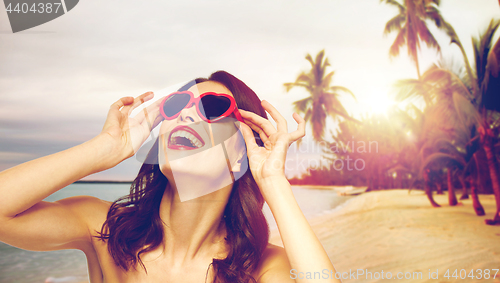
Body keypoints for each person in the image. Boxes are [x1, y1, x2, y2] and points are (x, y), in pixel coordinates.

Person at [0, 71, 341, 283]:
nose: (185, 115)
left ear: (242, 148)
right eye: (176, 105)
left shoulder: (263, 268)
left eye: (209, 106)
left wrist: (274, 182)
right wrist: (103, 150)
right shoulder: (103, 228)